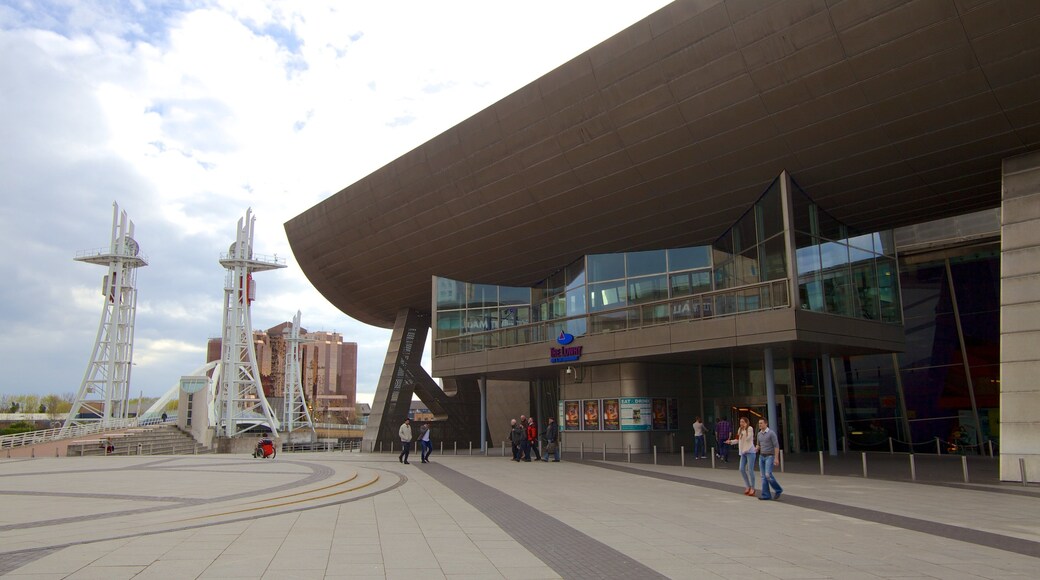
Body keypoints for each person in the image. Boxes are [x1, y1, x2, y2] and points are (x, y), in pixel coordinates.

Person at [726, 417, 756, 496]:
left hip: (750, 451)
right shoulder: (739, 430)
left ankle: (752, 487)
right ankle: (747, 485)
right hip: (743, 452)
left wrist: (745, 429)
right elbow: (738, 439)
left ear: (746, 422)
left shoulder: (750, 428)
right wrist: (731, 441)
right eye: (740, 422)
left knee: (750, 470)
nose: (741, 423)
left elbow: (748, 438)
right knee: (741, 469)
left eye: (742, 422)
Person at [756, 418, 783, 500]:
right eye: (759, 423)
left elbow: (776, 446)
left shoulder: (771, 433)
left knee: (768, 475)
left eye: (761, 423)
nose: (760, 425)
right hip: (762, 456)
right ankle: (766, 494)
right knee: (763, 476)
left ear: (766, 424)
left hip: (769, 456)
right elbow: (758, 444)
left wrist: (776, 458)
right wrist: (756, 448)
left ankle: (778, 489)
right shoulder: (759, 434)